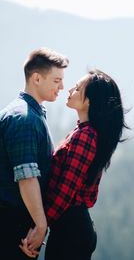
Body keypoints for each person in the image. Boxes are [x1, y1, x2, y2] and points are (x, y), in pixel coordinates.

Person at [40, 69, 128, 260]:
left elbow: (66, 189)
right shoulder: (83, 132)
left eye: (78, 88)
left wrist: (40, 226)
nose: (70, 89)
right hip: (70, 227)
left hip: (70, 230)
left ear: (89, 101)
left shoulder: (86, 137)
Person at [0, 47, 69, 259]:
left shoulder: (30, 113)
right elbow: (26, 177)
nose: (62, 87)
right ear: (37, 78)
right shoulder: (25, 119)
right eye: (56, 80)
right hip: (13, 223)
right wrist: (40, 225)